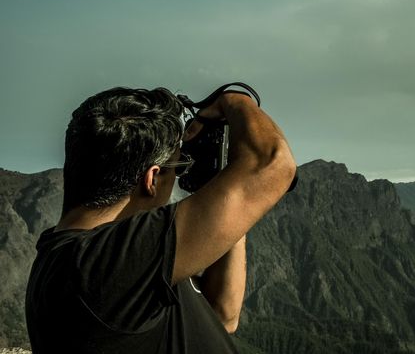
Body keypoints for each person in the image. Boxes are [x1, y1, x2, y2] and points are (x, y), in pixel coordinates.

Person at [25, 86, 296, 353]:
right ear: (152, 179)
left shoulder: (91, 264)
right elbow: (274, 164)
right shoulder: (105, 265)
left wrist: (223, 194)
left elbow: (222, 315)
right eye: (177, 168)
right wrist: (234, 100)